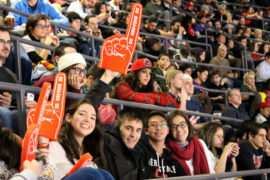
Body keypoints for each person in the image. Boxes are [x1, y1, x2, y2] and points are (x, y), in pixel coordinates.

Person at [39, 68, 118, 179]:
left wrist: (109, 76)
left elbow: (91, 103)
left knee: (105, 174)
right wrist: (106, 77)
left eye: (92, 118)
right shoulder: (54, 146)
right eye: (82, 114)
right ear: (68, 117)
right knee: (92, 173)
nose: (87, 120)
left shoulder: (90, 154)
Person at [166, 110, 215, 175]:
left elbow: (210, 171)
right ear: (169, 130)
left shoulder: (200, 143)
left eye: (182, 124)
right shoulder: (165, 148)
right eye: (173, 127)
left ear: (188, 125)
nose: (179, 129)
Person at [140, 111, 186, 178]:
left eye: (162, 124)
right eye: (153, 125)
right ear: (146, 131)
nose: (158, 128)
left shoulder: (172, 161)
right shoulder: (140, 154)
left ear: (167, 130)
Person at [104, 108, 144, 180]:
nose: (133, 135)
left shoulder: (139, 149)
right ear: (117, 126)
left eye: (138, 130)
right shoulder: (107, 141)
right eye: (128, 128)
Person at [0, 26, 19, 133]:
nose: (6, 46)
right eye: (1, 41)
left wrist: (28, 103)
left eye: (8, 42)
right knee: (4, 113)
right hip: (4, 113)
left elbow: (17, 100)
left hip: (11, 111)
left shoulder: (11, 74)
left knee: (28, 112)